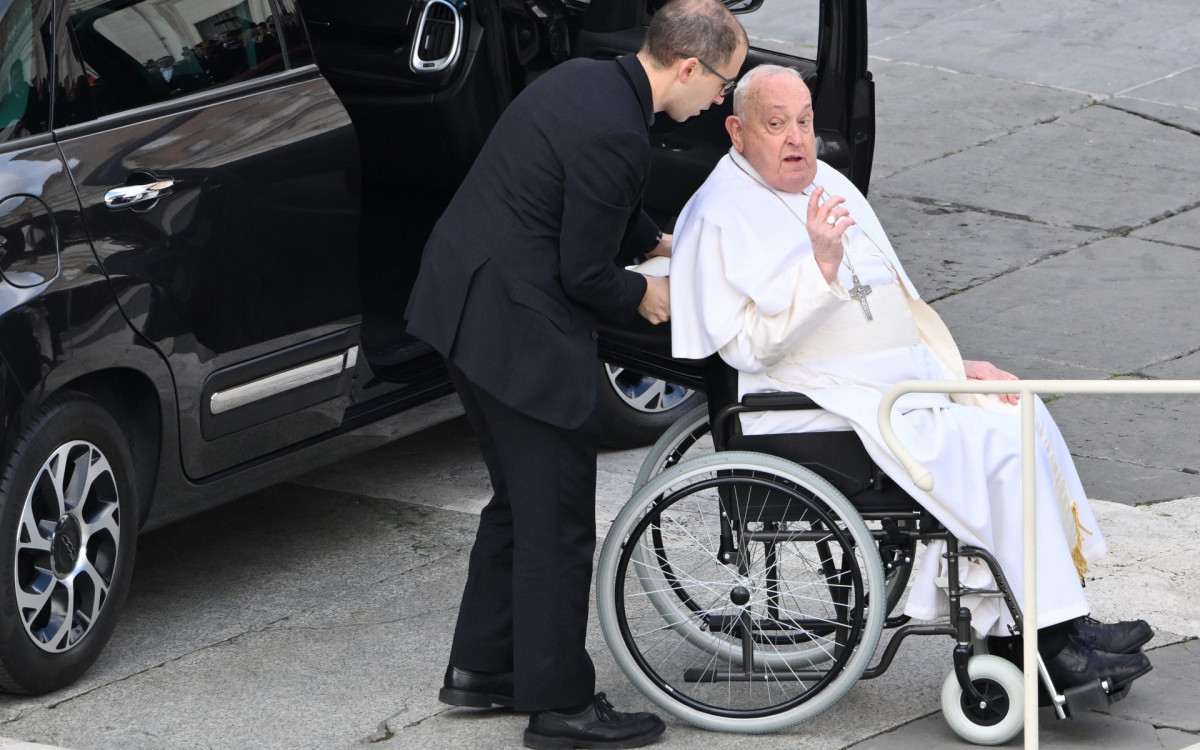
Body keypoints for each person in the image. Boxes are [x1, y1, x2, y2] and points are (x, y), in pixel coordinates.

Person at [668, 64, 1153, 693]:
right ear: (737, 131)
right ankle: (1048, 647)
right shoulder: (720, 212)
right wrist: (820, 266)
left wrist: (954, 368)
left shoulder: (827, 181)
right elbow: (749, 348)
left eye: (806, 122)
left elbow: (893, 299)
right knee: (996, 446)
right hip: (810, 406)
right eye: (776, 124)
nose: (797, 139)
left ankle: (1053, 624)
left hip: (880, 385)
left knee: (1017, 411)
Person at [403, 1, 748, 747]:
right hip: (515, 333)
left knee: (516, 505)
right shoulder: (618, 132)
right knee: (557, 525)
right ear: (688, 67)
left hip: (464, 305)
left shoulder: (586, 82)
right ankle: (562, 708)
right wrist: (647, 295)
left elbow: (589, 197)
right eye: (723, 84)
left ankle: (484, 670)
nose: (721, 100)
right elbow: (587, 274)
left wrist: (654, 240)